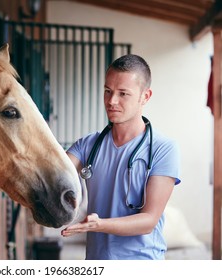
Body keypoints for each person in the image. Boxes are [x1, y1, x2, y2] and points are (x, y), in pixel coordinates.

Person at [62, 54, 181, 260]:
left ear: (145, 96)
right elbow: (54, 171)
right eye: (108, 91)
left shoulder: (163, 149)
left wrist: (100, 225)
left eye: (123, 93)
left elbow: (149, 220)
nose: (112, 101)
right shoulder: (87, 145)